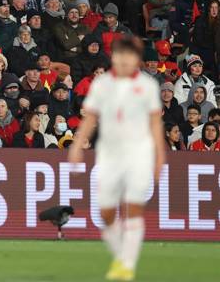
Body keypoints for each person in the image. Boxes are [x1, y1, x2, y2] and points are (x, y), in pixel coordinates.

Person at [69, 37, 165, 281]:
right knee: (106, 212)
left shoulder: (147, 85)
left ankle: (125, 263)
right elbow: (90, 117)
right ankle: (122, 255)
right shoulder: (103, 84)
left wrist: (159, 157)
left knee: (133, 210)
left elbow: (155, 124)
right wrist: (77, 146)